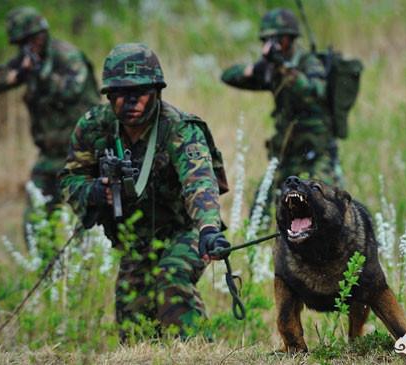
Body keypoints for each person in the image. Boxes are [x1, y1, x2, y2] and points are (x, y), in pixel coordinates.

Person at [60, 43, 230, 341]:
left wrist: (208, 230)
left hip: (184, 229)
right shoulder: (94, 128)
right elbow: (70, 179)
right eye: (122, 93)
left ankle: (199, 355)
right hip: (134, 238)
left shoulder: (179, 128)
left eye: (141, 92)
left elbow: (199, 181)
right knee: (134, 326)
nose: (131, 101)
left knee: (172, 281)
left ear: (156, 91)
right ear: (109, 96)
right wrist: (94, 194)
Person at [0, 6, 99, 242]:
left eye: (32, 40)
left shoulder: (67, 56)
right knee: (35, 219)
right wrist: (19, 74)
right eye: (22, 43)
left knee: (85, 220)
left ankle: (86, 272)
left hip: (81, 152)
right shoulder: (27, 61)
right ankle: (42, 266)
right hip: (49, 154)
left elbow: (72, 89)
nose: (29, 46)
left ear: (42, 35)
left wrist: (41, 73)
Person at [221, 8, 344, 192]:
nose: (272, 45)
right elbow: (229, 76)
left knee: (328, 200)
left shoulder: (308, 62)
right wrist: (256, 69)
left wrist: (284, 68)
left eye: (278, 39)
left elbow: (314, 91)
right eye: (266, 40)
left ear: (290, 38)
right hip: (287, 154)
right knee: (262, 206)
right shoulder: (272, 69)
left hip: (316, 152)